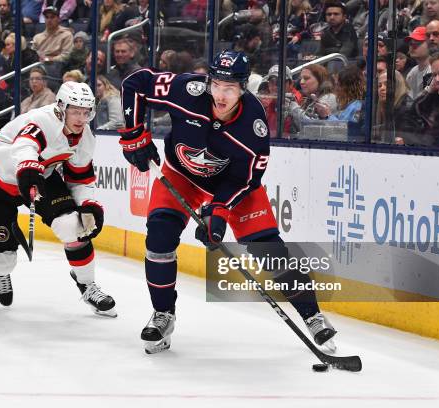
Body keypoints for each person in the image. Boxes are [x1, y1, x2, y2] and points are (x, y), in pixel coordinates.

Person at [117, 49, 337, 354]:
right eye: (216, 84)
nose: (220, 94)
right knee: (159, 238)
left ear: (243, 87)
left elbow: (247, 179)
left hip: (233, 187)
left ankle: (313, 316)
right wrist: (132, 134)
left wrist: (218, 211)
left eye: (230, 88)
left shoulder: (254, 124)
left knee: (269, 249)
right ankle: (163, 314)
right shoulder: (187, 89)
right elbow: (135, 83)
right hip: (182, 174)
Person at [0, 81, 117, 316]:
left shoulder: (85, 136)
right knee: (2, 260)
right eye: (74, 111)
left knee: (73, 225)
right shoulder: (42, 120)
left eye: (85, 112)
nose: (80, 118)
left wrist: (87, 205)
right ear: (60, 107)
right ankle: (1, 273)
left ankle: (87, 285)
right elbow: (25, 145)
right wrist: (29, 169)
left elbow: (79, 179)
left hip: (40, 176)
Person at [408, 52, 439, 147]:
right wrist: (429, 92)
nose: (437, 79)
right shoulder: (435, 99)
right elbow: (411, 118)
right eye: (434, 75)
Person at [405, 26, 431, 99]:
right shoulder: (412, 73)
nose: (412, 46)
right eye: (410, 44)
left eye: (418, 43)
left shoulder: (433, 70)